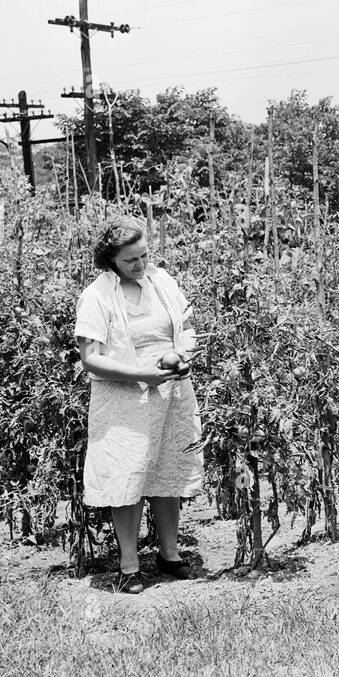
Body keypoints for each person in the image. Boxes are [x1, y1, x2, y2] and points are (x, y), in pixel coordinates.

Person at [74, 216, 203, 593]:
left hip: (171, 392)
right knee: (127, 477)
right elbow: (91, 359)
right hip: (124, 399)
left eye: (144, 256)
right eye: (131, 260)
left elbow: (188, 328)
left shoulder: (162, 282)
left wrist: (180, 354)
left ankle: (169, 554)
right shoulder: (97, 295)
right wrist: (141, 374)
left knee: (167, 472)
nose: (140, 265)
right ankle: (129, 565)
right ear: (111, 260)